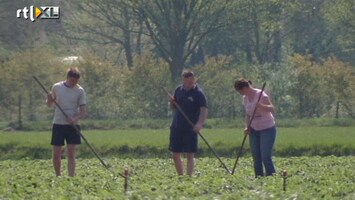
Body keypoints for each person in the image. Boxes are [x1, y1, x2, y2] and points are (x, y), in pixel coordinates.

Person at [46, 67, 86, 177]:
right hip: (58, 124)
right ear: (68, 78)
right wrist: (49, 99)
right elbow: (50, 105)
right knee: (56, 153)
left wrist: (74, 118)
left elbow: (83, 112)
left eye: (76, 81)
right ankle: (58, 176)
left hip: (73, 125)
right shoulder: (57, 87)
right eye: (73, 80)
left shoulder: (80, 91)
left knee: (71, 153)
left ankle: (71, 177)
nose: (74, 83)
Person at [168, 70, 208, 176]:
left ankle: (189, 177)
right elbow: (173, 107)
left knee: (190, 154)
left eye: (190, 82)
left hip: (191, 127)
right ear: (183, 80)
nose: (188, 84)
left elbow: (204, 110)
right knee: (175, 154)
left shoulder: (198, 93)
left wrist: (199, 124)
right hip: (177, 126)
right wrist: (172, 103)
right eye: (186, 82)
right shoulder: (178, 90)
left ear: (194, 80)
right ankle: (181, 177)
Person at [234, 78, 276, 177]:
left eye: (240, 91)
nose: (241, 94)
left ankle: (271, 177)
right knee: (256, 157)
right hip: (254, 130)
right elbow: (248, 115)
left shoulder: (261, 95)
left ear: (245, 88)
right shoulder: (245, 98)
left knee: (265, 156)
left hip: (267, 129)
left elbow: (272, 109)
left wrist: (261, 106)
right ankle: (259, 177)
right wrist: (247, 127)